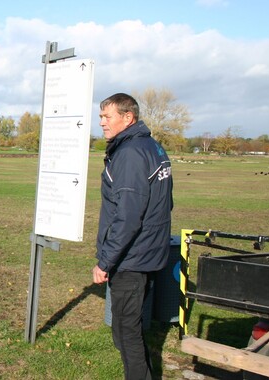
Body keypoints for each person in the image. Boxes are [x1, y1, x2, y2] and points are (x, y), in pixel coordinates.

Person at [92, 93, 173, 379]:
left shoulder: (130, 153)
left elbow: (127, 216)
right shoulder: (152, 147)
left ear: (128, 117)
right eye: (101, 116)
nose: (102, 122)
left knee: (126, 332)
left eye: (107, 116)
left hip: (132, 257)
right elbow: (165, 203)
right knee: (126, 327)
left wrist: (105, 261)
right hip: (147, 252)